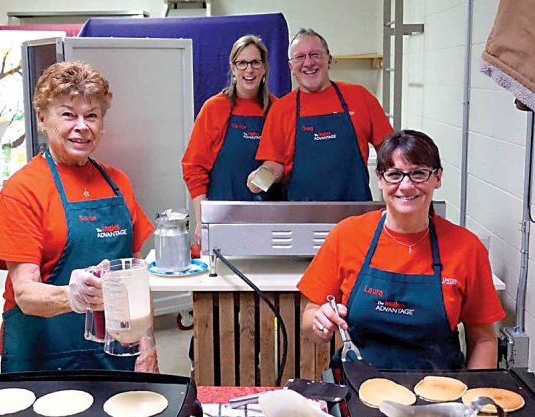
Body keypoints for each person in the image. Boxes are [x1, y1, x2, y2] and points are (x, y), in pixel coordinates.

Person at [0, 61, 157, 373]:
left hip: (115, 355)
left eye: (91, 115)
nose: (82, 126)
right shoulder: (23, 190)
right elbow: (26, 294)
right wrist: (73, 296)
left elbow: (136, 277)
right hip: (44, 357)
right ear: (42, 119)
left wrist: (147, 344)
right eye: (67, 114)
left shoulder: (118, 184)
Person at [298, 130, 505, 370]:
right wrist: (320, 323)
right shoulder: (347, 235)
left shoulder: (466, 248)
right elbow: (309, 322)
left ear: (437, 177)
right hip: (357, 390)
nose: (406, 186)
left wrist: (473, 400)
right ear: (379, 179)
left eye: (418, 173)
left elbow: (483, 339)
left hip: (439, 394)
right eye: (394, 174)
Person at [247, 28, 393, 201]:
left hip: (355, 214)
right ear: (291, 67)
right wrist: (262, 178)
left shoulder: (360, 97)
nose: (308, 63)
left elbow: (390, 151)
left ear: (329, 60)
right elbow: (275, 163)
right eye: (300, 57)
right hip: (301, 216)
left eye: (315, 54)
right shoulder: (280, 110)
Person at [182, 34, 278, 244]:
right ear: (233, 68)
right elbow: (193, 168)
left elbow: (286, 164)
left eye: (255, 62)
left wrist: (265, 176)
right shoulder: (214, 108)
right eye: (242, 63)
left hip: (269, 222)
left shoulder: (278, 110)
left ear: (264, 68)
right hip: (221, 222)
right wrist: (202, 220)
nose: (249, 69)